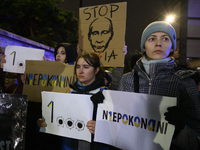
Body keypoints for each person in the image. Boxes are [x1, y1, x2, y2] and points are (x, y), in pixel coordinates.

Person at [118, 21, 200, 149]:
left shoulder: (184, 81)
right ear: (144, 46)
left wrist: (180, 130)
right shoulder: (126, 79)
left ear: (172, 47)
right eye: (151, 39)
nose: (158, 43)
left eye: (165, 38)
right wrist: (103, 103)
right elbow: (117, 123)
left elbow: (196, 140)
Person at [37, 52, 118, 150]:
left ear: (96, 70)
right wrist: (42, 124)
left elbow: (117, 129)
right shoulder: (69, 92)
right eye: (78, 66)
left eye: (86, 67)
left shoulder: (106, 95)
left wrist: (102, 128)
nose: (80, 71)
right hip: (68, 147)